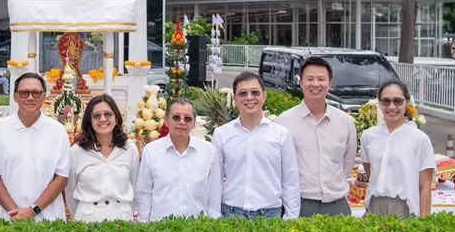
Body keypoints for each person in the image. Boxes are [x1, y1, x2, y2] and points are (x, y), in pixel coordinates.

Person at [0, 72, 70, 222]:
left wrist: (33, 210)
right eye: (24, 93)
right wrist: (14, 213)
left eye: (36, 93)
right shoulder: (0, 128)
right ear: (15, 96)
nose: (30, 97)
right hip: (8, 217)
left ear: (44, 97)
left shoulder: (57, 131)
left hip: (48, 217)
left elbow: (61, 177)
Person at [276, 57, 356, 216]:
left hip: (337, 206)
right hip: (299, 206)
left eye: (321, 79)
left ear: (330, 84)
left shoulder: (345, 122)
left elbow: (347, 163)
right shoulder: (283, 122)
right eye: (310, 79)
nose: (315, 84)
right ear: (300, 83)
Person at [213, 72, 300, 219]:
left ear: (264, 96)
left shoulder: (281, 134)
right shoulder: (221, 134)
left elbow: (290, 181)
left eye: (255, 92)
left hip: (270, 214)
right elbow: (215, 180)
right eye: (242, 93)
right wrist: (214, 215)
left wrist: (291, 219)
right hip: (232, 214)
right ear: (235, 99)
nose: (249, 97)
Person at [135, 98, 221, 222]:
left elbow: (214, 196)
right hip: (159, 229)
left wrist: (213, 226)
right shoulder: (151, 151)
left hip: (197, 229)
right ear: (166, 121)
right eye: (176, 117)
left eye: (187, 118)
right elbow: (144, 193)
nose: (182, 122)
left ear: (194, 123)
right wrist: (144, 227)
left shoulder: (208, 152)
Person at [361, 80, 435, 217]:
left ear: (406, 102)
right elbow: (370, 172)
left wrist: (426, 222)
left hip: (405, 208)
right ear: (379, 103)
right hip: (374, 205)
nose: (391, 107)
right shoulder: (368, 136)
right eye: (386, 101)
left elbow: (425, 186)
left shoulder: (419, 139)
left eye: (397, 101)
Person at [65, 94, 139, 222]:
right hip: (87, 219)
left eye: (108, 114)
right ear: (89, 121)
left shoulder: (130, 149)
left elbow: (135, 184)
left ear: (116, 119)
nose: (102, 119)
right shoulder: (76, 152)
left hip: (122, 218)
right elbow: (70, 191)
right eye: (96, 116)